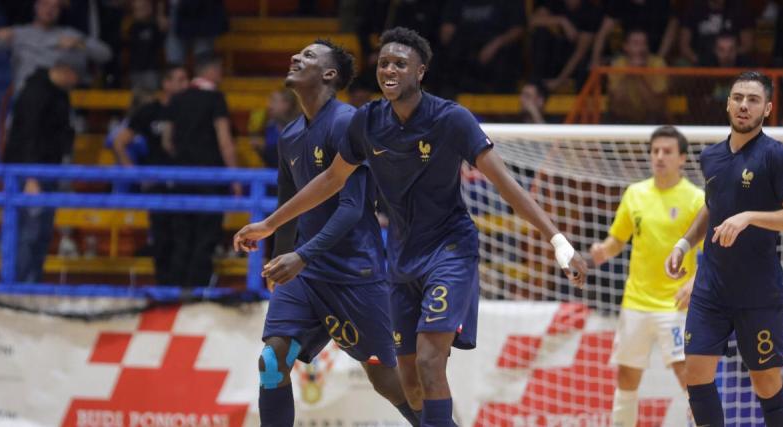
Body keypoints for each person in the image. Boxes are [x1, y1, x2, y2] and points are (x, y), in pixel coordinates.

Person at [234, 27, 587, 425]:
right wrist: (269, 225)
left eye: (400, 64)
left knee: (429, 362)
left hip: (445, 251)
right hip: (401, 258)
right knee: (408, 382)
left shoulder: (450, 118)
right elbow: (330, 180)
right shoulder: (367, 122)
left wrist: (557, 239)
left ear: (420, 72)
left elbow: (503, 182)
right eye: (384, 63)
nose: (390, 70)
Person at [255, 39, 418, 427]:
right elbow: (286, 204)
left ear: (329, 75)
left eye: (309, 55)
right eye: (297, 53)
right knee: (272, 359)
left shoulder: (347, 122)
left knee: (388, 383)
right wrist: (279, 260)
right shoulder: (290, 133)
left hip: (353, 273)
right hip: (304, 275)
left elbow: (352, 209)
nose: (296, 57)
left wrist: (300, 256)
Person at [665, 71, 783, 426]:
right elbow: (713, 205)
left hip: (759, 292)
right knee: (696, 375)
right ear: (727, 103)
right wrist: (685, 241)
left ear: (767, 109)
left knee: (766, 384)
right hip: (711, 289)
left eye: (752, 100)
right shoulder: (711, 157)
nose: (744, 106)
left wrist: (749, 216)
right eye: (738, 98)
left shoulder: (776, 156)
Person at [589, 126, 704, 427]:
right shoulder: (635, 194)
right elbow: (617, 241)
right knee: (626, 376)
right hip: (636, 302)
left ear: (682, 159)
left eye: (667, 151)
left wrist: (695, 281)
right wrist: (602, 251)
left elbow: (712, 253)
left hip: (677, 305)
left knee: (689, 375)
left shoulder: (696, 199)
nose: (659, 157)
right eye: (655, 151)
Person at [162, 55, 239, 287]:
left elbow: (167, 141)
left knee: (181, 233)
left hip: (181, 175)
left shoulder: (177, 98)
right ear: (212, 71)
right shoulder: (215, 98)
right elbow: (225, 140)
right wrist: (234, 177)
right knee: (206, 235)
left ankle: (173, 289)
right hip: (210, 176)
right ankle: (197, 289)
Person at [1, 61, 79, 282]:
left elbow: (63, 132)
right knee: (29, 231)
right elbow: (27, 134)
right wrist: (30, 176)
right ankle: (16, 286)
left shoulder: (60, 94)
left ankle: (32, 283)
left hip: (49, 170)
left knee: (42, 232)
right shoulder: (35, 92)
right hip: (30, 173)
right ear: (65, 71)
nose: (77, 83)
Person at [112, 64, 189, 285]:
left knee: (183, 235)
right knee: (161, 235)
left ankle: (181, 287)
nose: (185, 84)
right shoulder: (149, 110)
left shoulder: (189, 109)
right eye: (180, 79)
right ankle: (164, 286)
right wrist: (135, 174)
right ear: (166, 83)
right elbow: (120, 142)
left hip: (186, 181)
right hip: (157, 182)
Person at [0, 0, 111, 92]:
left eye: (54, 7)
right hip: (25, 100)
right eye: (45, 4)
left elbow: (105, 54)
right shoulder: (19, 33)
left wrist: (81, 43)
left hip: (56, 101)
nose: (49, 10)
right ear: (36, 5)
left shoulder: (68, 34)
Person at [606, 28, 668, 125]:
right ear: (625, 47)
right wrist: (629, 73)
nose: (641, 48)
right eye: (636, 44)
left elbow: (655, 106)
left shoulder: (657, 63)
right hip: (622, 117)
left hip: (651, 118)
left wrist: (639, 75)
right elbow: (615, 104)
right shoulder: (618, 64)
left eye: (644, 44)